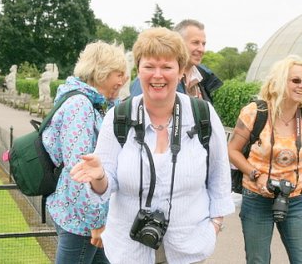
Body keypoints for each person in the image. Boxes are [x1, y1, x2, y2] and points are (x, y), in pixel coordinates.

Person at [70, 27, 235, 264]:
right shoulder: (119, 117)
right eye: (149, 66)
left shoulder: (202, 115)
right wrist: (99, 176)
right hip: (130, 250)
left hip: (189, 248)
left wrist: (214, 226)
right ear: (138, 70)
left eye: (167, 67)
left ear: (180, 72)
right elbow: (105, 188)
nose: (158, 75)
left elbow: (219, 176)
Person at [228, 55, 302, 264]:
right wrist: (256, 175)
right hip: (257, 198)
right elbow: (232, 151)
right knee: (258, 261)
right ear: (280, 81)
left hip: (296, 199)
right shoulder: (255, 112)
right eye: (296, 80)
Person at [42, 40, 127, 264]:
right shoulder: (80, 105)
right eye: (118, 74)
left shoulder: (88, 102)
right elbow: (79, 172)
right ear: (101, 73)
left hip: (79, 214)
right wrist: (96, 222)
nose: (123, 81)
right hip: (80, 220)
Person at [130, 19, 223, 103]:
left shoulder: (203, 78)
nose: (201, 49)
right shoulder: (147, 81)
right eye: (195, 43)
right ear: (179, 43)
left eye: (203, 44)